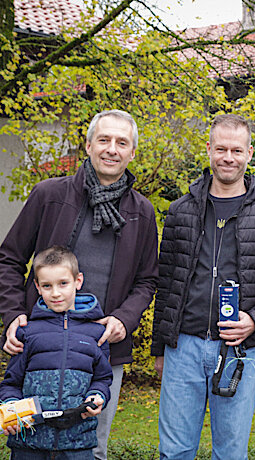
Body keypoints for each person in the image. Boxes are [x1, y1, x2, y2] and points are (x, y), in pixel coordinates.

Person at [0, 109, 159, 460]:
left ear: (132, 152)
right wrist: (13, 315)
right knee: (29, 445)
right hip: (38, 347)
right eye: (103, 140)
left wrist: (124, 319)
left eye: (122, 142)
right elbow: (9, 259)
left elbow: (147, 280)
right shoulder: (49, 196)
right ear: (88, 145)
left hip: (100, 350)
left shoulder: (142, 212)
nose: (111, 149)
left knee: (91, 448)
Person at [151, 113, 255, 460]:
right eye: (221, 149)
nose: (228, 157)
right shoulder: (180, 211)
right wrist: (160, 346)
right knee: (174, 451)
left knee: (230, 453)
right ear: (209, 150)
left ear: (249, 153)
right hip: (183, 347)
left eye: (236, 150)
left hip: (238, 350)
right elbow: (166, 281)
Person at [0, 246, 113, 460]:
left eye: (63, 283)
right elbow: (11, 384)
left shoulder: (97, 333)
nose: (55, 293)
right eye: (47, 286)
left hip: (77, 445)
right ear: (37, 287)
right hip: (28, 446)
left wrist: (98, 396)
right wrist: (10, 407)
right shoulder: (27, 332)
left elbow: (102, 378)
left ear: (78, 281)